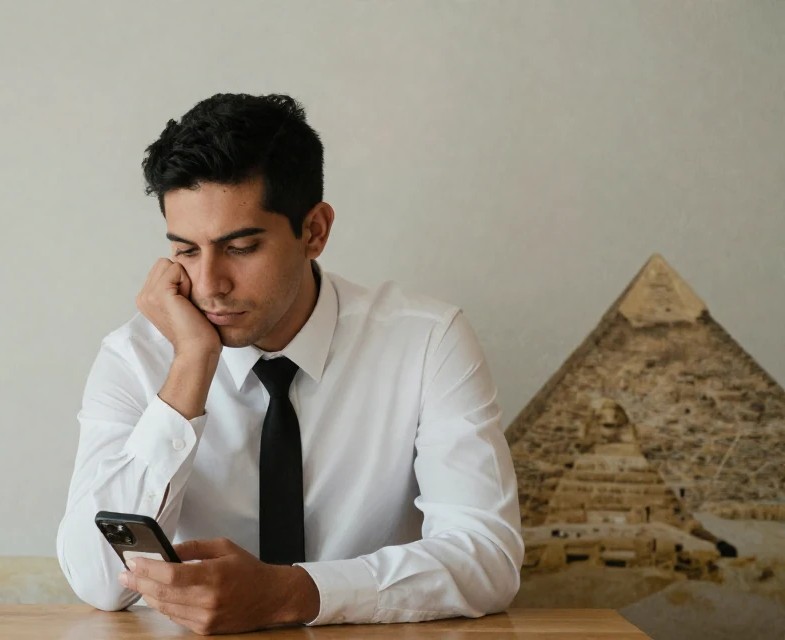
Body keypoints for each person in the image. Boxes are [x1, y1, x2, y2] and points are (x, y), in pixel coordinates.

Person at [55, 93, 523, 635]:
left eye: (241, 247)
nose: (209, 286)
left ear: (315, 232)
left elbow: (488, 557)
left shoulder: (427, 342)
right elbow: (96, 580)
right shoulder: (134, 357)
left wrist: (293, 595)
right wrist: (191, 367)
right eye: (185, 250)